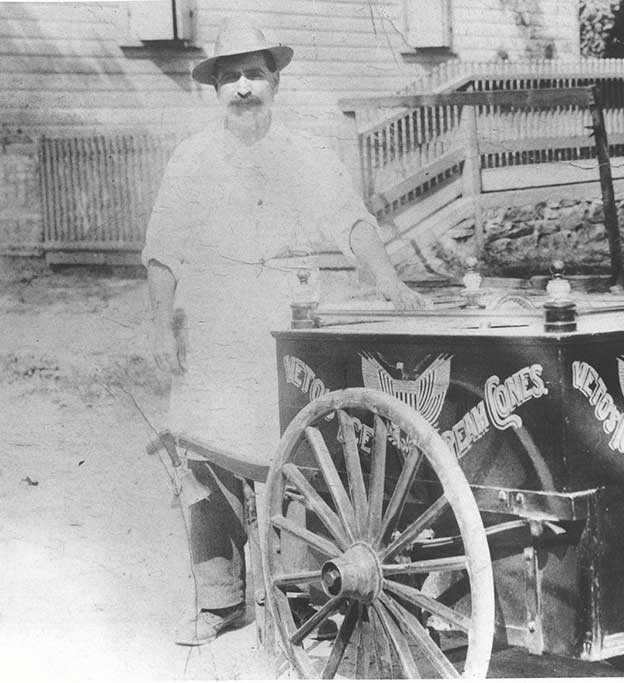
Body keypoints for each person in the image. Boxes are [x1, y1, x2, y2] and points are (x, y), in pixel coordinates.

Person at [142, 17, 425, 646]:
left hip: (285, 318)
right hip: (211, 317)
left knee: (298, 454)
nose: (244, 88)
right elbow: (162, 250)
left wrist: (389, 283)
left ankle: (302, 600)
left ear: (276, 82)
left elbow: (351, 224)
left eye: (256, 75)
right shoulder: (191, 159)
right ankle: (218, 601)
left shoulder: (304, 154)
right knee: (203, 457)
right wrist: (161, 326)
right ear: (214, 87)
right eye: (231, 77)